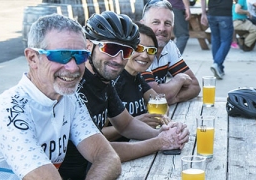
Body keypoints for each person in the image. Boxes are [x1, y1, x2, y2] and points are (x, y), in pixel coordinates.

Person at [58, 11, 190, 179]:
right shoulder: (73, 85)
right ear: (89, 46)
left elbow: (126, 125)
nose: (119, 60)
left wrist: (166, 133)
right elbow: (102, 150)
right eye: (111, 48)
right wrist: (160, 142)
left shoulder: (103, 80)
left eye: (126, 52)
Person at [0, 14, 121, 179]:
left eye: (81, 55)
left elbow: (107, 157)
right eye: (61, 55)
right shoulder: (7, 111)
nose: (73, 67)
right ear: (32, 58)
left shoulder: (69, 99)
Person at [108, 21, 165, 142]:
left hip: (140, 143)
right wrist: (131, 124)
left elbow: (158, 100)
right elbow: (99, 134)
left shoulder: (136, 75)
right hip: (121, 153)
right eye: (138, 48)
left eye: (151, 50)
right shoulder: (113, 81)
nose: (145, 55)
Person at [141, 0, 201, 104]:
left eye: (167, 23)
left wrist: (172, 97)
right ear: (143, 24)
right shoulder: (139, 50)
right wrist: (178, 80)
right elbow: (155, 96)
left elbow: (195, 86)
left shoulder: (169, 46)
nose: (162, 28)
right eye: (156, 22)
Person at [200, 0, 233, 79]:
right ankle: (217, 64)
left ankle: (219, 68)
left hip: (212, 13)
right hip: (225, 13)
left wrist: (203, 13)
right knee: (226, 41)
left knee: (215, 40)